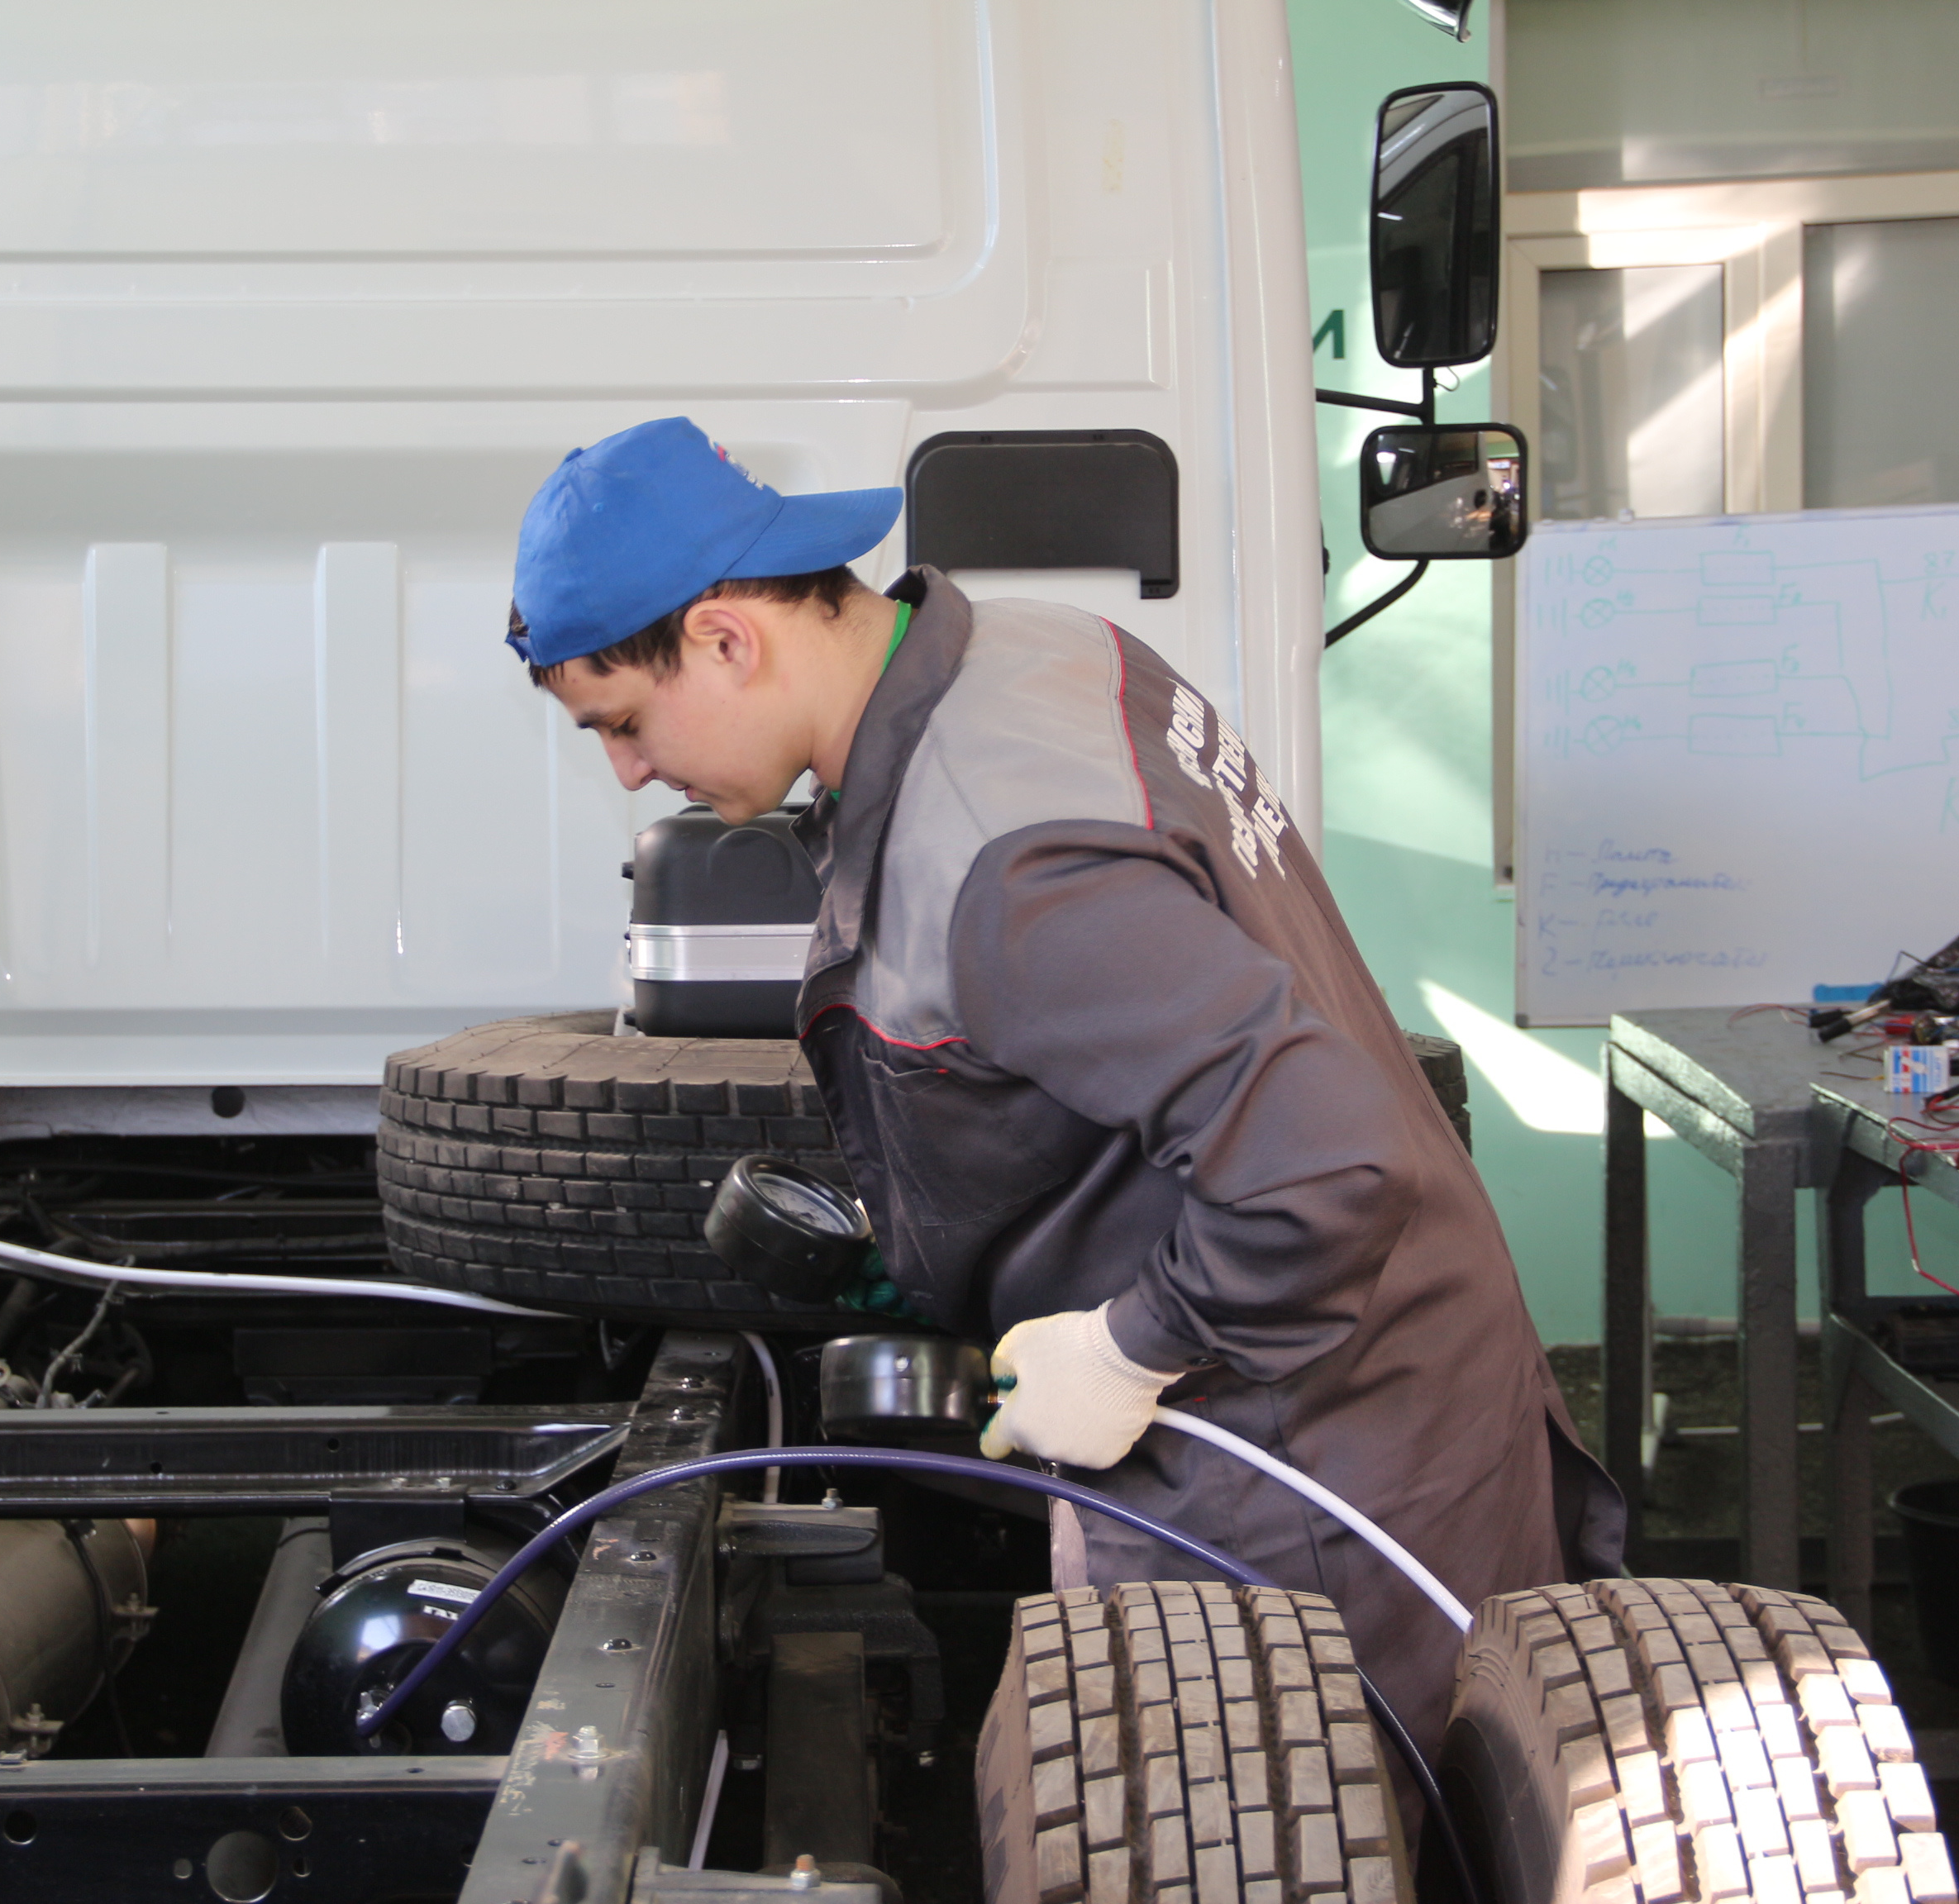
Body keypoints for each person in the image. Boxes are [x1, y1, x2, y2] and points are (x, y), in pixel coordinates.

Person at [504, 416, 1623, 1765]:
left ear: (727, 638)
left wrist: (1129, 1347)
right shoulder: (1034, 652)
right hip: (1379, 1367)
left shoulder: (1002, 859)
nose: (629, 770)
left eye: (625, 722)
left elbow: (1327, 1163)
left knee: (1281, 1837)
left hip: (1300, 1464)